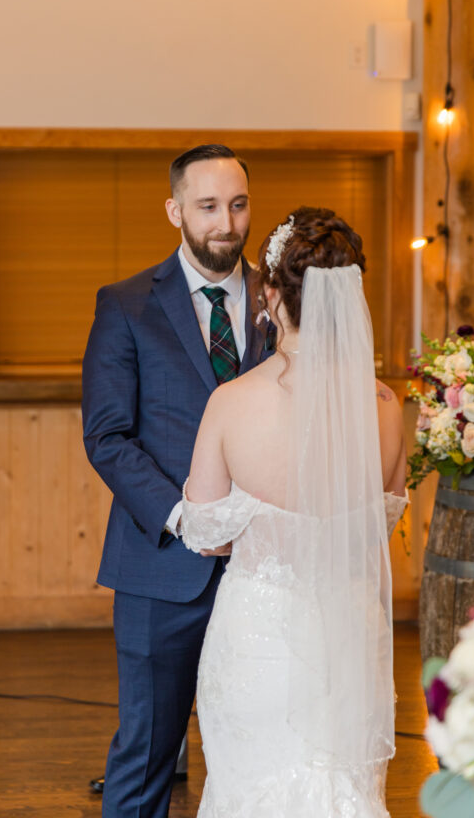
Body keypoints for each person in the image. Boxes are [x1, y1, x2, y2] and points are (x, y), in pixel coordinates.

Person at [181, 206, 409, 818]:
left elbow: (204, 534)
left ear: (272, 295)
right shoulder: (386, 408)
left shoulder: (231, 403)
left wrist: (263, 533)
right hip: (349, 637)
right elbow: (374, 526)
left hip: (260, 641)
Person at [82, 144, 274, 818]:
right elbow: (106, 436)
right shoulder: (127, 305)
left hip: (266, 570)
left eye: (239, 203)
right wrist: (183, 516)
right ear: (174, 210)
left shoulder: (283, 302)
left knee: (260, 749)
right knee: (146, 753)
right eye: (208, 206)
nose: (226, 222)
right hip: (162, 566)